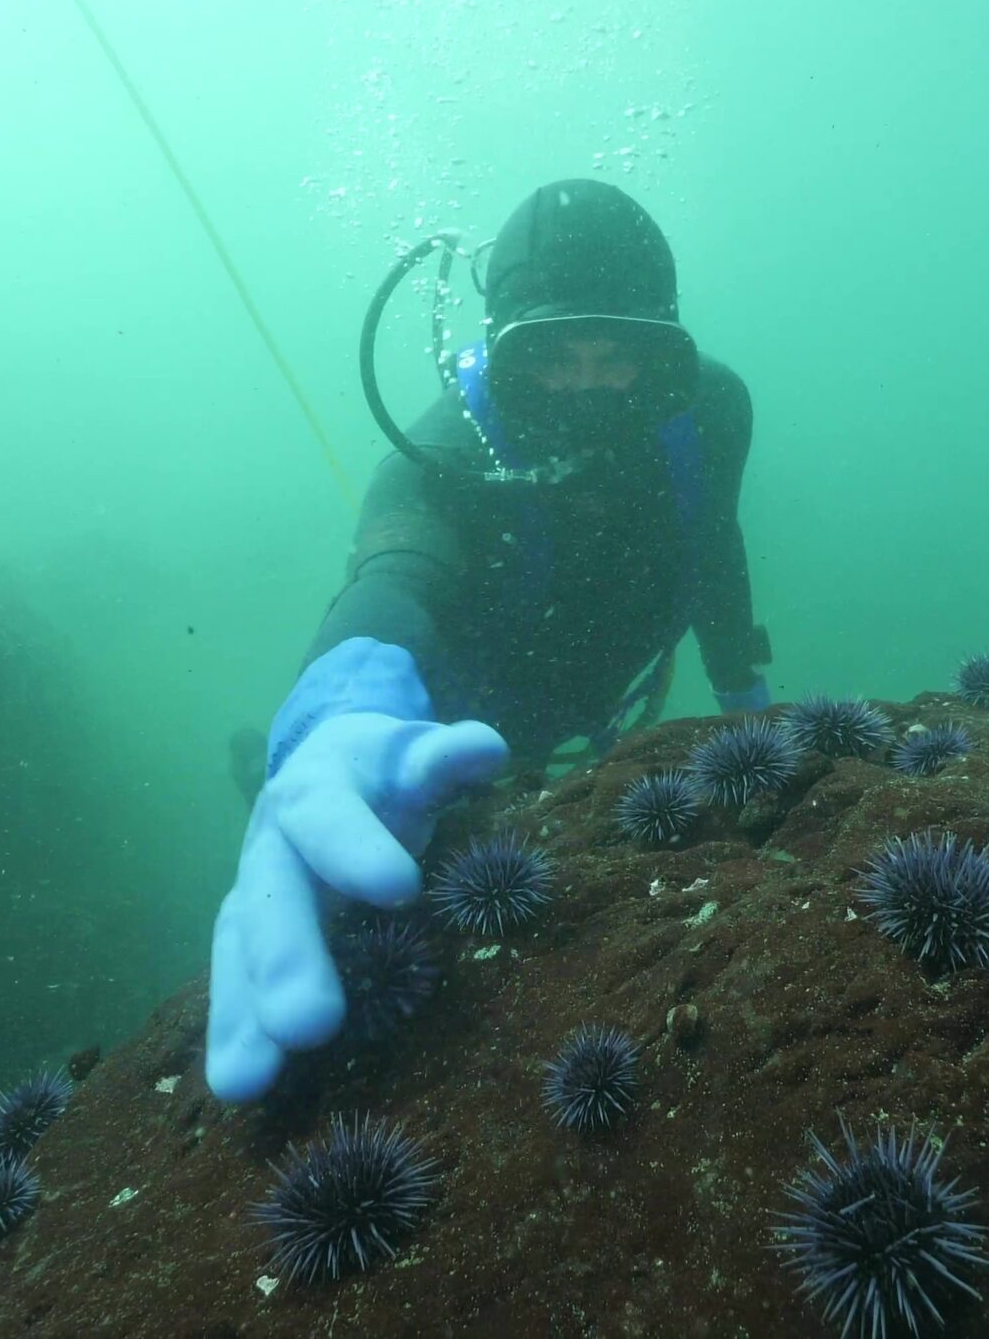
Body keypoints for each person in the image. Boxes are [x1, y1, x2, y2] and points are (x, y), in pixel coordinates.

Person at [203, 179, 771, 1103]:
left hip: (609, 701)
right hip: (458, 738)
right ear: (506, 349)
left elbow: (717, 544)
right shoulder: (445, 458)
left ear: (661, 348)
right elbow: (393, 578)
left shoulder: (711, 412)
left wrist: (746, 689)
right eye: (552, 357)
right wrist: (336, 709)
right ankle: (274, 775)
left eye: (618, 353)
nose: (587, 385)